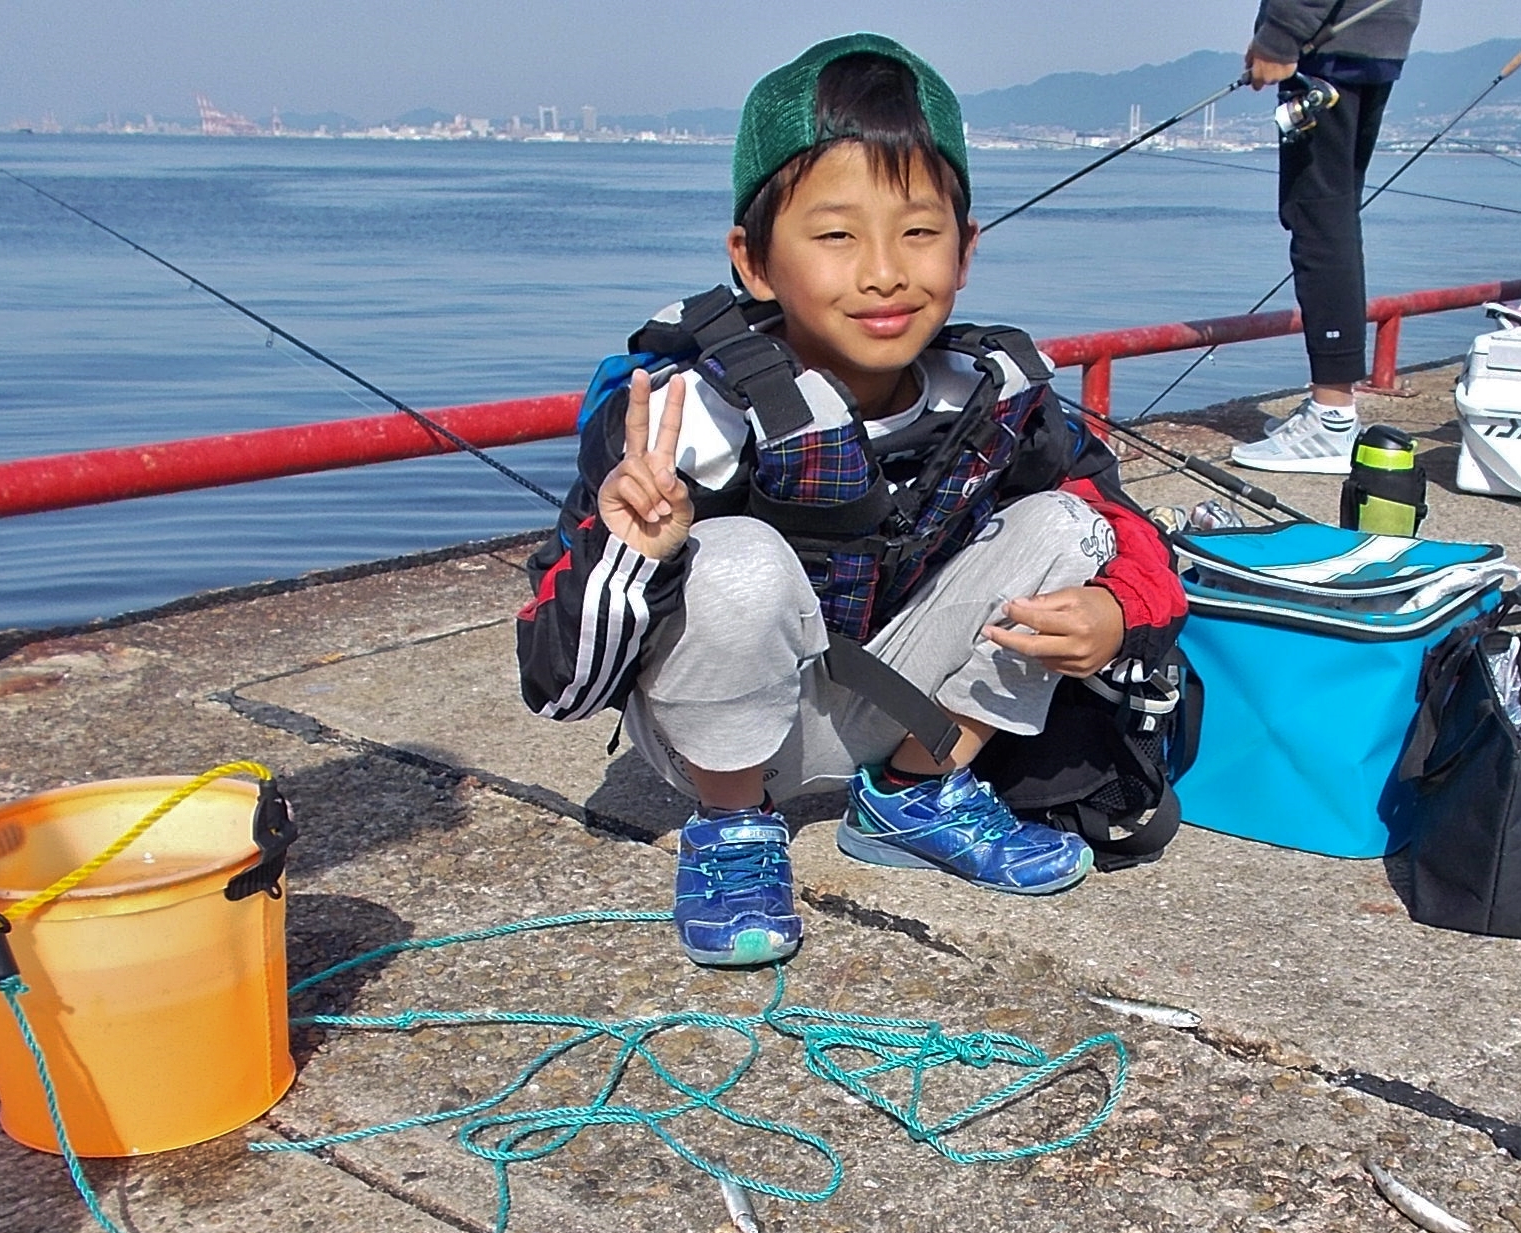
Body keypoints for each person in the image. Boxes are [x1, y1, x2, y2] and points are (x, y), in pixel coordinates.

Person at [515, 35, 1186, 968]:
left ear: (966, 250)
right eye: (835, 236)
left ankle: (913, 796)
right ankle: (731, 826)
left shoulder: (993, 397)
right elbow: (562, 691)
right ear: (753, 261)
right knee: (737, 558)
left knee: (1066, 524)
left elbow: (1123, 527)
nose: (883, 271)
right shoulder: (688, 418)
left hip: (900, 710)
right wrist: (632, 554)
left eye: (918, 232)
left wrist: (1117, 613)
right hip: (714, 733)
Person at [1229, 0, 1424, 475]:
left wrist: (1279, 35)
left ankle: (1332, 416)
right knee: (1334, 215)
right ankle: (1333, 408)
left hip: (1331, 42)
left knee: (1319, 220)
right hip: (1376, 39)